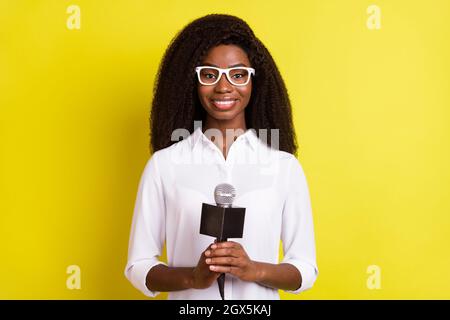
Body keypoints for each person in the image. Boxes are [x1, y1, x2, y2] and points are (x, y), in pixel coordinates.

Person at [124, 14, 318, 300]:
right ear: (193, 80)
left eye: (238, 74)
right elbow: (138, 266)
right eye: (209, 74)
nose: (224, 87)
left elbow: (305, 270)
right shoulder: (165, 165)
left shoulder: (283, 167)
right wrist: (193, 276)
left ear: (254, 82)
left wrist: (254, 270)